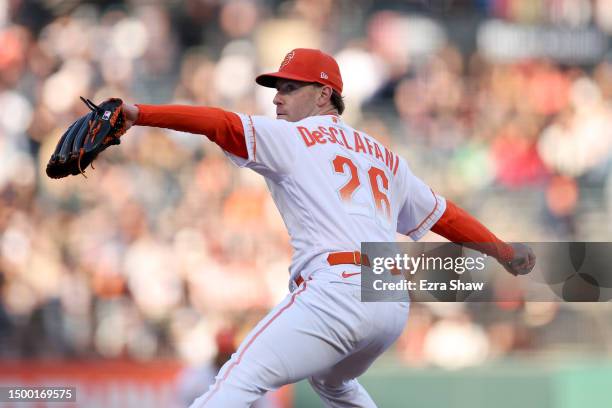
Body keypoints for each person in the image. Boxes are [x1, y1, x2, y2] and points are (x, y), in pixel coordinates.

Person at [119, 48, 535, 407]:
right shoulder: (385, 157)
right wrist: (501, 250)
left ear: (323, 95)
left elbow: (220, 123)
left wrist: (139, 114)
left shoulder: (294, 138)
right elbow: (445, 215)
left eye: (289, 88)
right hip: (389, 299)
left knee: (239, 377)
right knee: (332, 380)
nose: (277, 99)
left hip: (337, 288)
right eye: (276, 89)